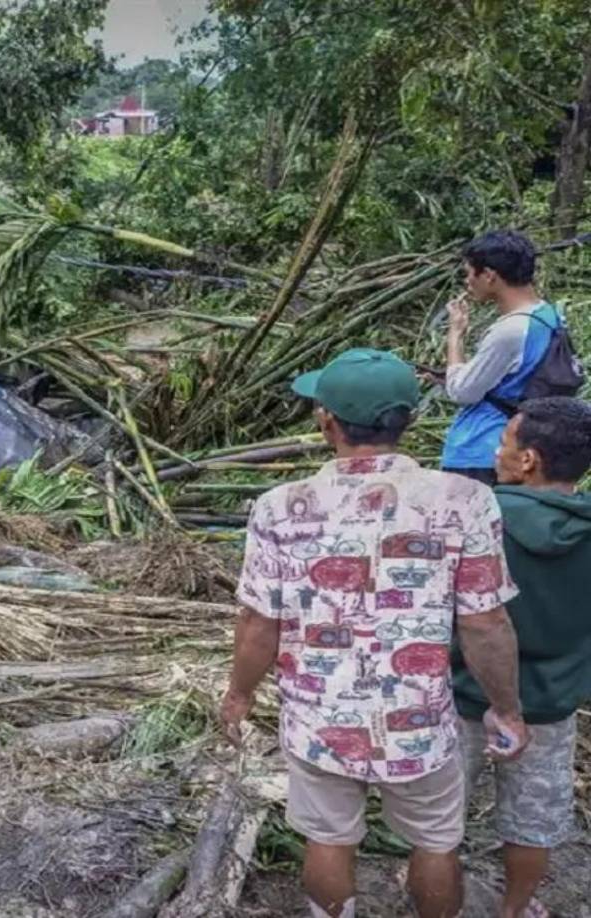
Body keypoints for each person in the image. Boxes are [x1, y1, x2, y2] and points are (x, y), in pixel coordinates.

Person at [220, 348, 529, 918]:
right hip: (418, 718)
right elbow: (485, 622)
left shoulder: (280, 508)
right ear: (408, 418)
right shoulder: (465, 501)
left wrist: (239, 694)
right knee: (436, 839)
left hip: (320, 716)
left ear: (326, 422)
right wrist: (506, 708)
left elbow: (260, 621)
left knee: (330, 837)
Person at [450, 397, 591, 918]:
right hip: (551, 701)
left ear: (528, 459)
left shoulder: (479, 515)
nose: (495, 450)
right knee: (533, 818)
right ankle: (515, 910)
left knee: (441, 813)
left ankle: (436, 897)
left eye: (505, 442)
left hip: (463, 690)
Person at [440, 230, 567, 486]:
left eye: (469, 273)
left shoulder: (510, 330)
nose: (467, 281)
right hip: (520, 447)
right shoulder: (549, 315)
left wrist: (455, 335)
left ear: (489, 276)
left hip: (480, 451)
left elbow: (462, 392)